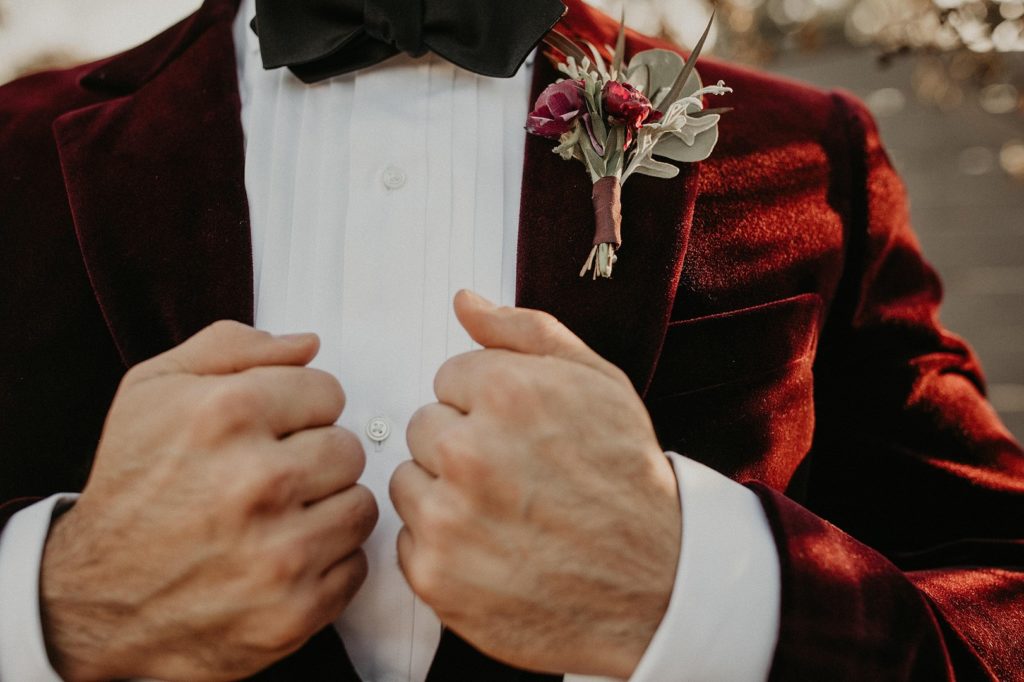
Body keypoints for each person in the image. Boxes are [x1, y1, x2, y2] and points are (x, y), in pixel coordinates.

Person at [0, 0, 1021, 680]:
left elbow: (1000, 592)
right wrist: (60, 600)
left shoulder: (803, 145)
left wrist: (707, 590)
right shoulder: (13, 153)